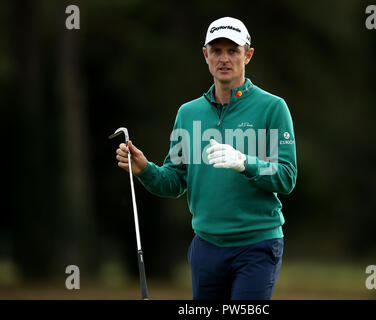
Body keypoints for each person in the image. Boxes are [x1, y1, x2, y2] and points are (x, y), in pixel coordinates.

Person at [114, 17, 297, 300]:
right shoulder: (188, 114)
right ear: (206, 55)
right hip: (206, 248)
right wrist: (145, 170)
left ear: (247, 55)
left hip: (257, 245)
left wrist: (245, 162)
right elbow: (174, 181)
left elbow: (286, 177)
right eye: (217, 50)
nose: (224, 58)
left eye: (233, 51)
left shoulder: (272, 108)